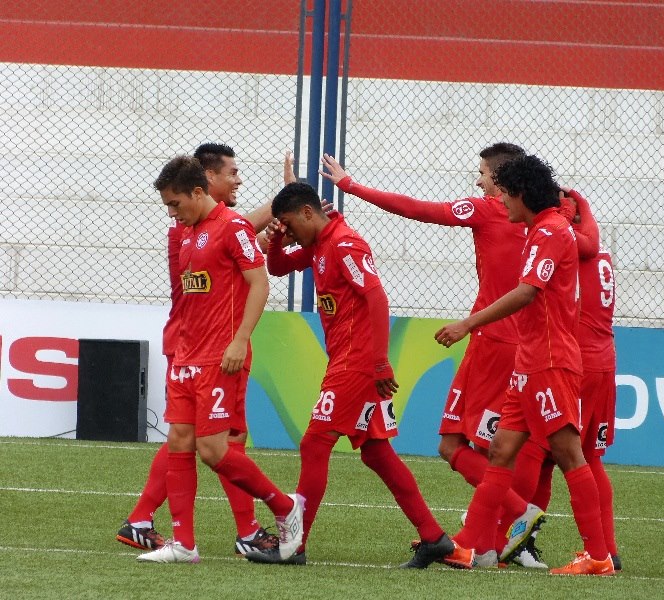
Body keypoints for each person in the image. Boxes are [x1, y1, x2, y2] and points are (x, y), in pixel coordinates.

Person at [320, 146, 545, 567]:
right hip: (504, 341)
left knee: (472, 446)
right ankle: (488, 542)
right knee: (473, 445)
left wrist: (351, 186)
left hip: (497, 343)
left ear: (499, 180)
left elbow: (419, 210)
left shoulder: (488, 210)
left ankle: (512, 520)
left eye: (481, 173)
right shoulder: (546, 217)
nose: (477, 181)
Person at [245, 182, 459, 568]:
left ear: (308, 212)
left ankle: (294, 544)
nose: (290, 233)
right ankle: (434, 538)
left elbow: (376, 297)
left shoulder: (345, 244)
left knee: (314, 444)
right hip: (347, 360)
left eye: (291, 225)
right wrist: (276, 240)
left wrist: (379, 361)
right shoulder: (319, 243)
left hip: (356, 364)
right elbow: (276, 267)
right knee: (377, 454)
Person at [431, 153, 614, 575]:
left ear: (520, 194)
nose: (500, 202)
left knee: (570, 454)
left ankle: (598, 556)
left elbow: (527, 292)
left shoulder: (550, 231)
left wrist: (467, 323)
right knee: (500, 450)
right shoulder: (540, 228)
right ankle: (466, 546)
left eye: (505, 195)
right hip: (529, 362)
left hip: (550, 362)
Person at [116, 144, 285, 556]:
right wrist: (283, 200)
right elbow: (234, 236)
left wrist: (265, 237)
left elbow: (233, 252)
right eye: (231, 172)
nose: (237, 180)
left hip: (197, 342)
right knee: (215, 438)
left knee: (188, 437)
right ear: (205, 183)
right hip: (199, 344)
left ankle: (145, 519)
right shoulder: (192, 226)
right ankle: (251, 527)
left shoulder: (212, 227)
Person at [512, 190, 622, 571]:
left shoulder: (565, 239)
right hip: (603, 359)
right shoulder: (598, 248)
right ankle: (608, 550)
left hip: (574, 360)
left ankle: (516, 537)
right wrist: (585, 207)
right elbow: (590, 237)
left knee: (539, 452)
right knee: (589, 457)